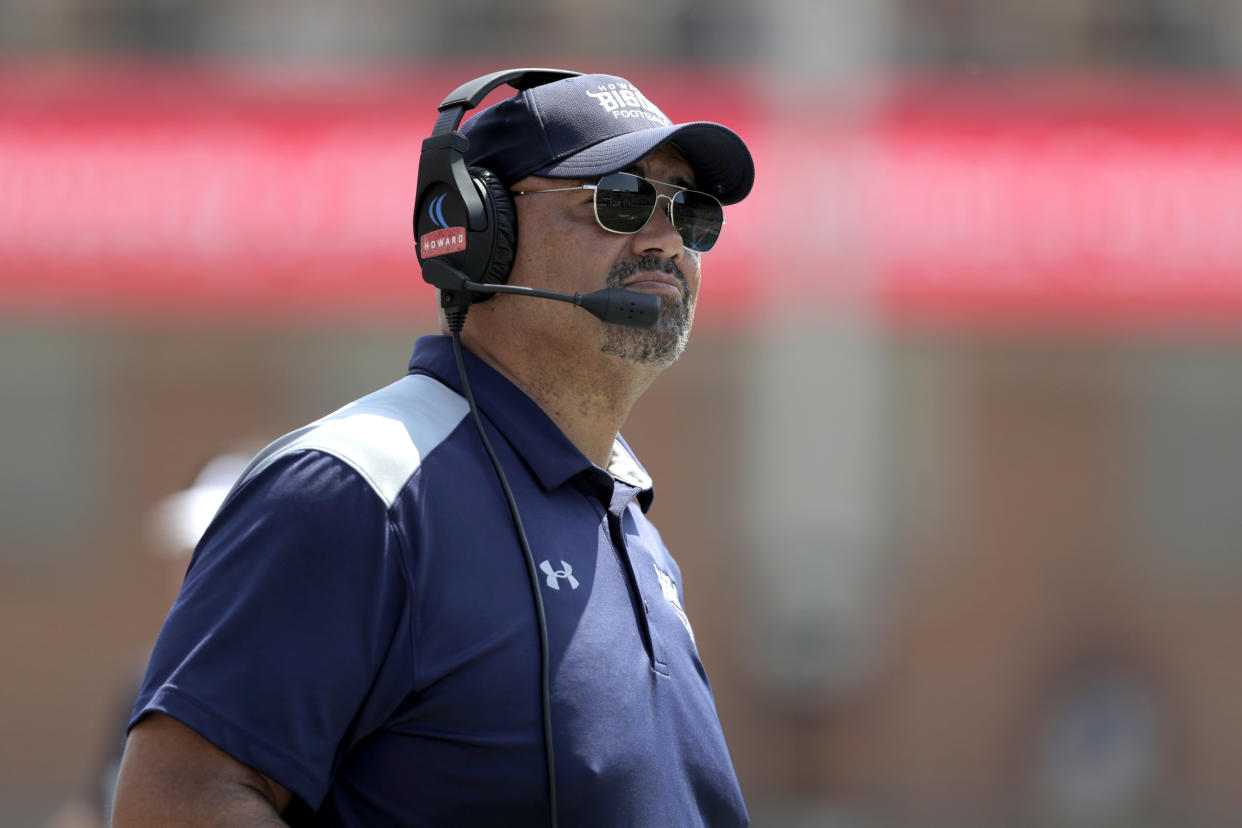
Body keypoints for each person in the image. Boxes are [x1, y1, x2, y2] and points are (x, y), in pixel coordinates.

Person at [111, 70, 755, 827]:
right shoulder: (357, 490)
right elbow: (176, 803)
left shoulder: (633, 528)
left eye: (692, 213)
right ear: (480, 230)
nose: (666, 239)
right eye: (618, 200)